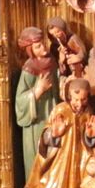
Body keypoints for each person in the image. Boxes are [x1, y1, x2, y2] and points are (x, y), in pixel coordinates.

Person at [23, 79, 95, 188]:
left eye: (83, 99)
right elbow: (45, 138)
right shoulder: (61, 110)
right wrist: (54, 134)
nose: (80, 104)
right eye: (76, 99)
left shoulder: (88, 111)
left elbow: (87, 141)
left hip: (80, 162)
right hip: (60, 161)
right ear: (69, 96)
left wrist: (90, 135)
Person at [14, 27, 60, 179]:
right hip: (36, 120)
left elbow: (58, 86)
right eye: (38, 46)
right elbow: (20, 101)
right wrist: (38, 91)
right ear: (30, 50)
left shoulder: (52, 62)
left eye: (44, 44)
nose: (44, 48)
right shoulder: (29, 69)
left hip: (53, 115)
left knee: (54, 154)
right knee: (38, 155)